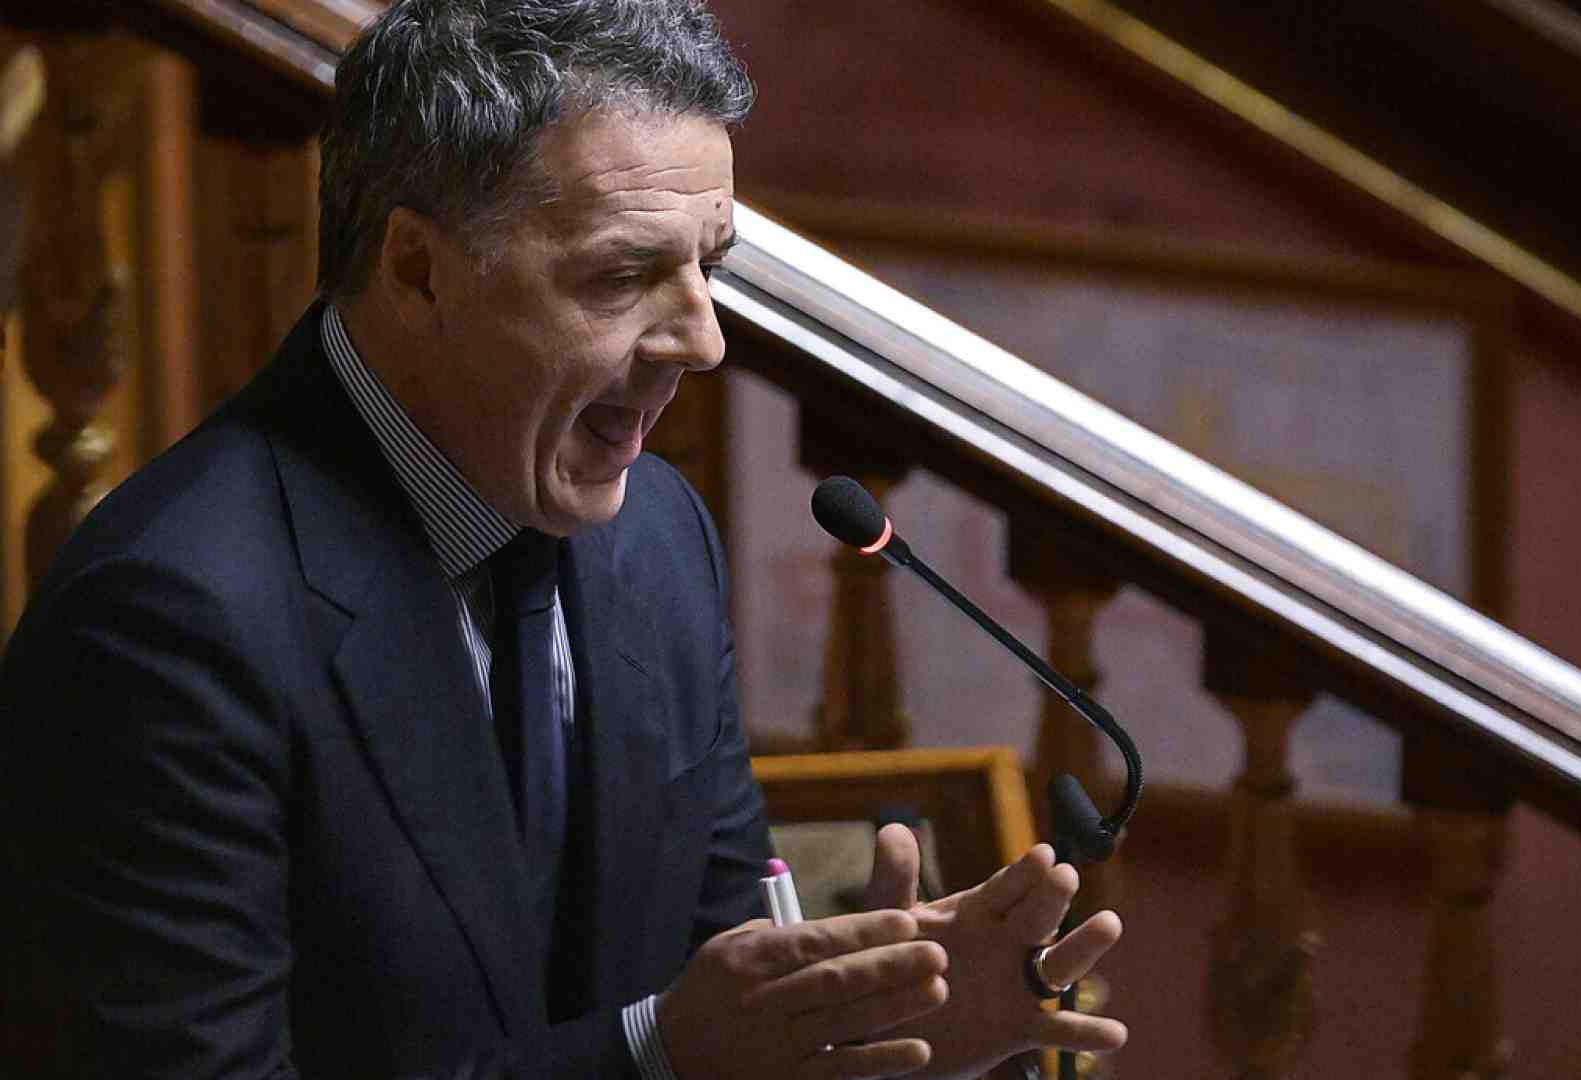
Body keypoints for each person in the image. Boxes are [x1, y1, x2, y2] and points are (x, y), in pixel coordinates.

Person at [0, 1, 1126, 1076]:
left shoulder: (660, 540)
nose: (703, 341)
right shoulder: (166, 624)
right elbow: (680, 1041)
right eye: (624, 274)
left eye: (708, 266)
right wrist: (655, 1057)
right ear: (417, 271)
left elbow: (726, 998)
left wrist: (863, 1042)